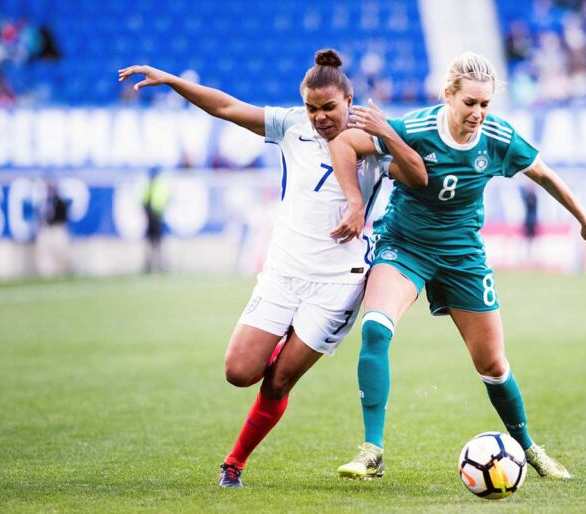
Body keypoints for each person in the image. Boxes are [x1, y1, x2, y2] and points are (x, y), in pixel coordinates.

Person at [117, 49, 427, 488]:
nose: (319, 117)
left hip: (339, 283)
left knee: (279, 382)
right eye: (312, 108)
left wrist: (390, 138)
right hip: (282, 273)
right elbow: (226, 106)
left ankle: (234, 463)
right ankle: (284, 339)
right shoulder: (289, 126)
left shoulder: (371, 137)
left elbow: (417, 176)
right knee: (239, 371)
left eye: (329, 108)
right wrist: (171, 79)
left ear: (350, 100)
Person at [328, 52, 586, 480]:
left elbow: (546, 175)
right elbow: (345, 141)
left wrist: (585, 219)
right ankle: (372, 450)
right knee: (376, 327)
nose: (478, 113)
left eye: (485, 104)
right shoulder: (415, 128)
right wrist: (354, 201)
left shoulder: (498, 137)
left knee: (493, 365)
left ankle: (529, 448)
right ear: (448, 96)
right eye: (470, 103)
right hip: (404, 244)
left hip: (462, 255)